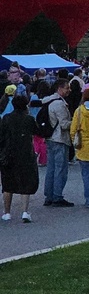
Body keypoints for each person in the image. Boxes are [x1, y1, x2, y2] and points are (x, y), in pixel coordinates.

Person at [0, 95, 39, 223]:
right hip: (25, 153)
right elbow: (37, 131)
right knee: (26, 183)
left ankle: (7, 212)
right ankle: (24, 211)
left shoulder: (6, 118)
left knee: (7, 184)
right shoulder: (29, 119)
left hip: (8, 154)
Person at [42, 80, 73, 207]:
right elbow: (64, 124)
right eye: (67, 88)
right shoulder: (59, 104)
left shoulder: (47, 101)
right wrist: (76, 121)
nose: (69, 90)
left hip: (49, 137)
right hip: (59, 138)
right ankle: (57, 196)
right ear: (59, 88)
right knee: (60, 169)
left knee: (51, 168)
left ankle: (49, 195)